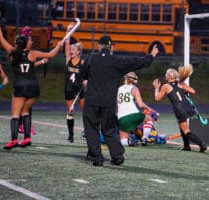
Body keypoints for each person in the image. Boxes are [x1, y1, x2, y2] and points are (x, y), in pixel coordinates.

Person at [0, 7, 64, 150]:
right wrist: (59, 46)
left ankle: (13, 140)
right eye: (30, 40)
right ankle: (26, 138)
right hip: (33, 86)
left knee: (15, 114)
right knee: (25, 111)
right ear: (26, 43)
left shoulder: (12, 52)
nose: (31, 41)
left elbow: (0, 37)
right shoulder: (33, 54)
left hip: (20, 86)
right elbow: (51, 55)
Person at [80, 35, 158, 166]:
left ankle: (97, 158)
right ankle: (117, 156)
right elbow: (136, 62)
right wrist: (151, 56)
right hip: (109, 102)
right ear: (110, 47)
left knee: (91, 129)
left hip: (92, 100)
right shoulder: (116, 60)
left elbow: (83, 74)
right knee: (109, 129)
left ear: (99, 45)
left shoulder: (92, 58)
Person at [152, 65, 207, 152]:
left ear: (169, 76)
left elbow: (157, 98)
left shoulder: (165, 86)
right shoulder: (181, 84)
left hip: (179, 108)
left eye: (166, 74)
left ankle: (201, 144)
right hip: (187, 106)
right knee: (181, 125)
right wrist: (184, 89)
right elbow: (193, 91)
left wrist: (156, 88)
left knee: (186, 130)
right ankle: (186, 146)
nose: (165, 75)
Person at [18, 26, 49, 136]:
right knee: (24, 105)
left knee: (27, 105)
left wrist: (41, 61)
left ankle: (24, 126)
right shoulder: (22, 52)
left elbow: (29, 66)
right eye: (28, 36)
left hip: (25, 80)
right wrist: (42, 61)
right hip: (24, 81)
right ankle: (22, 126)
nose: (31, 38)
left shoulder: (26, 51)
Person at [117, 72, 156, 146]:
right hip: (133, 115)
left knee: (123, 141)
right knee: (150, 119)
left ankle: (129, 141)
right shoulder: (134, 88)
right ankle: (145, 137)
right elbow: (141, 104)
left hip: (121, 118)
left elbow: (116, 103)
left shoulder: (119, 88)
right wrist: (150, 109)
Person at [64, 23, 86, 143]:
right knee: (70, 112)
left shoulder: (82, 63)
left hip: (79, 90)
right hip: (68, 89)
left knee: (85, 112)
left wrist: (85, 82)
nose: (71, 51)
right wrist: (68, 31)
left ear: (78, 52)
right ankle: (71, 134)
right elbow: (66, 44)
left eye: (73, 49)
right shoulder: (68, 60)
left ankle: (86, 132)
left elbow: (86, 77)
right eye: (71, 49)